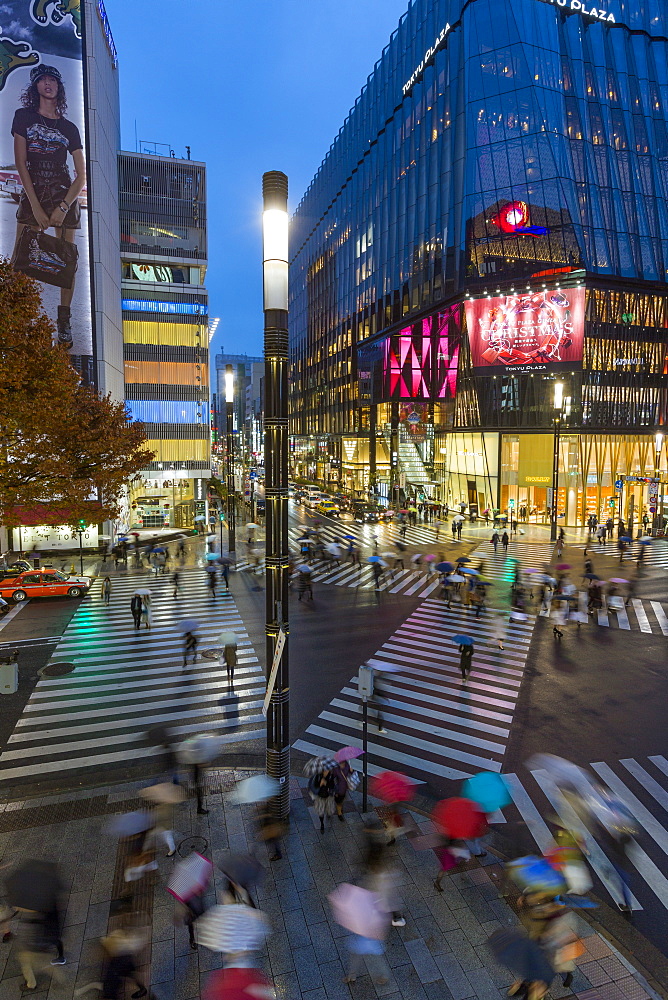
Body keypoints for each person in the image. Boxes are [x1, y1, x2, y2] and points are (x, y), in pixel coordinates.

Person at [11, 65, 86, 348]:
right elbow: (21, 164)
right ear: (35, 87)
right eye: (42, 80)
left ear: (59, 87)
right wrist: (36, 207)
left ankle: (63, 320)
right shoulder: (24, 117)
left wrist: (63, 207)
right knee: (21, 257)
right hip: (35, 188)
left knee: (66, 261)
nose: (47, 84)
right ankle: (18, 314)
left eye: (52, 79)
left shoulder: (68, 128)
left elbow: (81, 175)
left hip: (62, 190)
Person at [308, 767, 337, 833]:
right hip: (320, 797)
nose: (327, 771)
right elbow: (314, 786)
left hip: (328, 796)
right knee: (320, 812)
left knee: (329, 810)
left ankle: (328, 815)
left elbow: (333, 786)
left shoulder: (331, 776)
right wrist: (320, 784)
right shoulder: (318, 776)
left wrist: (326, 784)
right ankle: (322, 824)